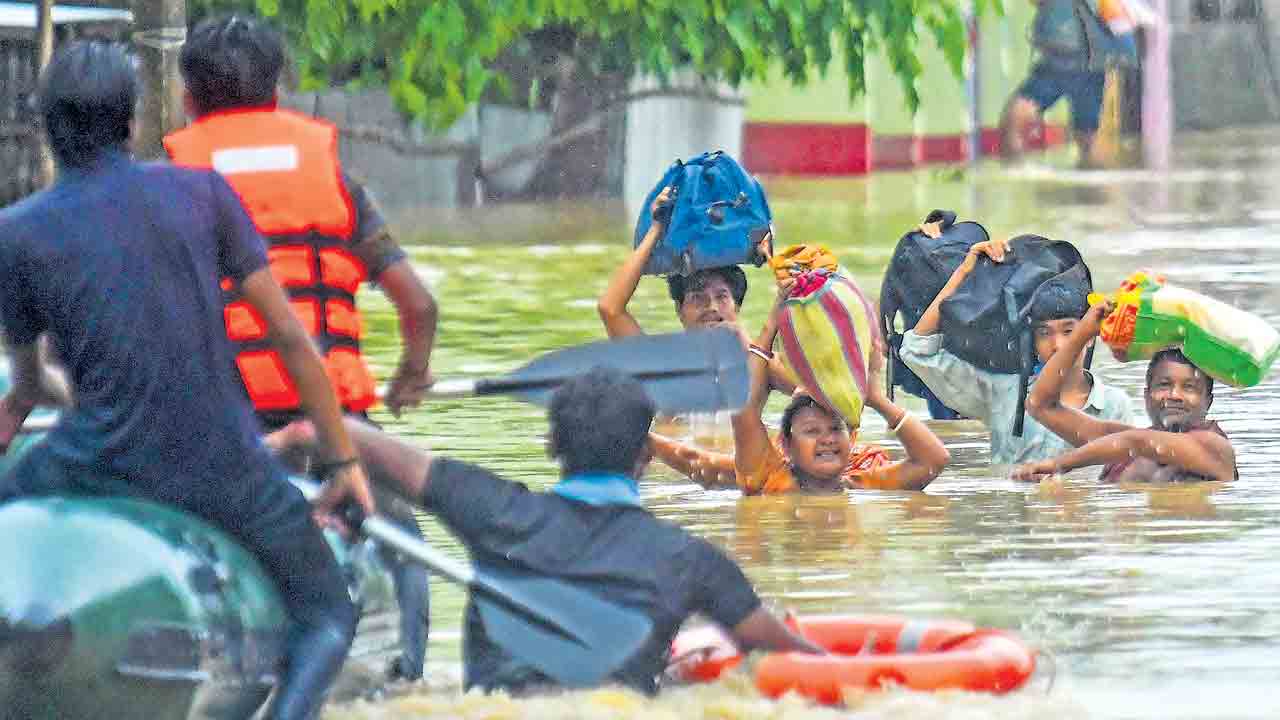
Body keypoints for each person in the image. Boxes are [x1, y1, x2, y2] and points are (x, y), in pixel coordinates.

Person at [0, 42, 373, 720]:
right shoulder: (201, 193)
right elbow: (292, 337)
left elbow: (28, 384)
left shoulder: (15, 233)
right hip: (220, 463)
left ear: (46, 125)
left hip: (96, 459)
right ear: (132, 121)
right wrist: (343, 457)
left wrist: (55, 405)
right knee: (327, 614)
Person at [166, 14, 437, 680]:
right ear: (277, 91)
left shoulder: (169, 182)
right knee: (403, 542)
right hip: (333, 429)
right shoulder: (336, 180)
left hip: (219, 431)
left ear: (189, 98)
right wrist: (411, 374)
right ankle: (405, 678)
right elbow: (419, 304)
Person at [278, 367, 824, 695]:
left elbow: (331, 432)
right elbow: (790, 660)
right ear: (644, 458)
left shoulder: (491, 509)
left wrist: (289, 441)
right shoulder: (691, 561)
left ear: (551, 447)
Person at [651, 284, 949, 493]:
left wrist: (875, 399)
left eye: (835, 429)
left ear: (851, 437)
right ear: (787, 446)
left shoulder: (863, 482)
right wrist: (771, 322)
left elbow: (934, 460)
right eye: (811, 431)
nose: (827, 440)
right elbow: (744, 411)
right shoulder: (768, 480)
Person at [897, 237, 1134, 466]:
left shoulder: (1115, 405)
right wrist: (965, 273)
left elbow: (1126, 479)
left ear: (1090, 336)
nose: (1058, 345)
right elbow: (916, 351)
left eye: (1069, 331)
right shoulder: (1004, 393)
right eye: (1044, 333)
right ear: (1032, 343)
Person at [598, 187, 795, 395]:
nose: (711, 307)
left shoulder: (760, 363)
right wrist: (656, 228)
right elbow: (610, 309)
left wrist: (748, 346)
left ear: (736, 306)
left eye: (722, 296)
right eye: (697, 298)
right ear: (679, 311)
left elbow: (815, 397)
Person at [1011, 302, 1237, 483]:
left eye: (1189, 387)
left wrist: (1059, 464)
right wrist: (1083, 333)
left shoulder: (1215, 448)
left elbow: (1138, 442)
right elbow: (1040, 405)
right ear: (1147, 395)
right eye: (1163, 385)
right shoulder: (1117, 444)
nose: (1174, 395)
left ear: (1208, 401)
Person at [1000, 0, 1118, 168]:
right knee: (1014, 119)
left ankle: (1097, 188)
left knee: (1087, 140)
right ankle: (1015, 178)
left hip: (1086, 65)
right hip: (1056, 63)